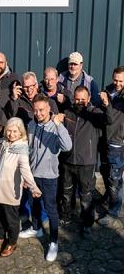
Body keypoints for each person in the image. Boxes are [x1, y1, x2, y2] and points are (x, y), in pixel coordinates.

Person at [19, 94, 72, 261]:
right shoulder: (31, 125)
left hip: (49, 177)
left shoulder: (55, 127)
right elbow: (28, 150)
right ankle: (37, 228)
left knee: (50, 209)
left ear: (49, 108)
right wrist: (25, 175)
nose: (38, 113)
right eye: (35, 110)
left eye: (41, 110)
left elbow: (67, 146)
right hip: (32, 176)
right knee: (33, 204)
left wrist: (58, 125)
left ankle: (54, 242)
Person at [0, 117, 41, 258]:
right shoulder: (1, 143)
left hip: (10, 191)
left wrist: (33, 187)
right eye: (9, 131)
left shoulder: (21, 149)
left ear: (21, 132)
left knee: (11, 220)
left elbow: (25, 170)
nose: (11, 134)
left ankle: (12, 242)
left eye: (15, 131)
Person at [60, 86, 107, 236]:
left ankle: (87, 223)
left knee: (86, 195)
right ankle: (66, 216)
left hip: (86, 162)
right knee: (66, 192)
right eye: (77, 99)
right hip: (67, 161)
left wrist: (106, 105)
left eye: (83, 99)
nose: (80, 102)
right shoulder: (68, 113)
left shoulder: (95, 114)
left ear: (88, 99)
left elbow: (108, 120)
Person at [98, 67, 124, 226]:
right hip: (104, 139)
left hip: (117, 142)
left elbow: (111, 119)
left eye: (121, 81)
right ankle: (108, 197)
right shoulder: (108, 90)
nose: (117, 83)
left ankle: (114, 212)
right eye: (115, 79)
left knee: (115, 179)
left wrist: (107, 104)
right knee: (105, 171)